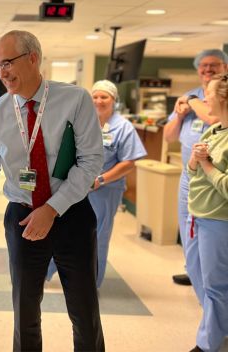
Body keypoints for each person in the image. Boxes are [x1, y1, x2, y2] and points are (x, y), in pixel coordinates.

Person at [0, 30, 105, 351]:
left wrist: (51, 209)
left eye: (7, 63)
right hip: (23, 219)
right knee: (24, 311)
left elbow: (91, 160)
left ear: (33, 58)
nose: (2, 73)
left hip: (71, 215)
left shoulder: (75, 99)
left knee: (84, 309)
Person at [47, 80, 147, 287]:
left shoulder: (123, 128)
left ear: (114, 100)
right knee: (64, 229)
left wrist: (101, 179)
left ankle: (90, 282)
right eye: (95, 96)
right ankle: (44, 272)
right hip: (77, 185)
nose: (99, 101)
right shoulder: (83, 120)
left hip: (106, 190)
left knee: (97, 235)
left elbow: (129, 162)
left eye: (105, 97)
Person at [163, 49, 228, 287]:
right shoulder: (190, 95)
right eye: (203, 66)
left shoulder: (206, 98)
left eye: (215, 65)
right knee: (189, 231)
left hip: (215, 176)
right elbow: (169, 136)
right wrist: (179, 116)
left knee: (211, 233)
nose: (208, 70)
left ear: (225, 68)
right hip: (190, 174)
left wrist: (191, 102)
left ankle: (210, 287)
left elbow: (213, 118)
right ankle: (195, 274)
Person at [186, 73, 228, 352]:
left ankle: (208, 344)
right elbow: (192, 170)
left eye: (209, 94)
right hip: (200, 215)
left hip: (218, 219)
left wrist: (208, 165)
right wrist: (195, 159)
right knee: (202, 277)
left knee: (216, 286)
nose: (205, 99)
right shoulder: (213, 131)